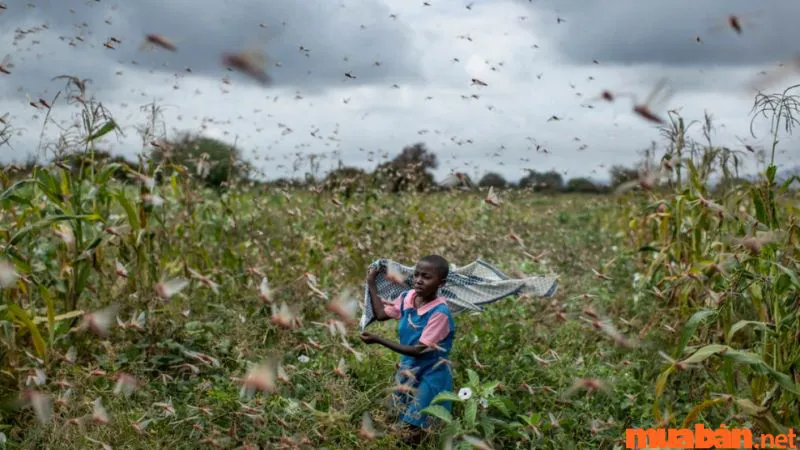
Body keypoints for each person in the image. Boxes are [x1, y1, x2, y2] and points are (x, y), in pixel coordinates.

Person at [360, 255, 456, 446]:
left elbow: (418, 350)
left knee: (413, 427)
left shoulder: (440, 313)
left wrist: (379, 340)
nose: (419, 280)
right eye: (417, 275)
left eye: (427, 277)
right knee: (397, 417)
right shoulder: (408, 297)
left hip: (431, 373)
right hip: (408, 369)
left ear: (441, 283)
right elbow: (380, 314)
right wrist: (372, 283)